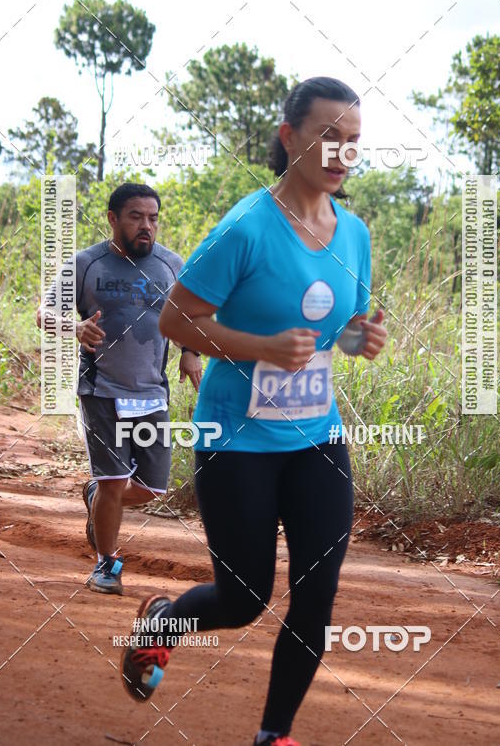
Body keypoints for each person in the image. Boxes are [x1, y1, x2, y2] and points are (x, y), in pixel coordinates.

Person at [120, 78, 387, 744]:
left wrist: (361, 339)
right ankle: (164, 623)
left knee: (318, 592)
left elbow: (339, 329)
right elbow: (177, 320)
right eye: (329, 137)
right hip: (235, 440)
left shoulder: (353, 234)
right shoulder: (246, 226)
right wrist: (260, 347)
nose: (340, 154)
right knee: (244, 600)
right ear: (288, 137)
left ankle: (275, 734)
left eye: (352, 143)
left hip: (316, 438)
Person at [37, 182, 202, 595]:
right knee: (114, 479)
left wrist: (190, 352)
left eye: (153, 218)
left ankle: (97, 497)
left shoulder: (171, 265)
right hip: (101, 390)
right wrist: (73, 327)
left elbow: (189, 315)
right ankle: (105, 565)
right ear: (113, 218)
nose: (147, 226)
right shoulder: (86, 264)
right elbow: (44, 315)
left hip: (150, 392)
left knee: (151, 487)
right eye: (136, 217)